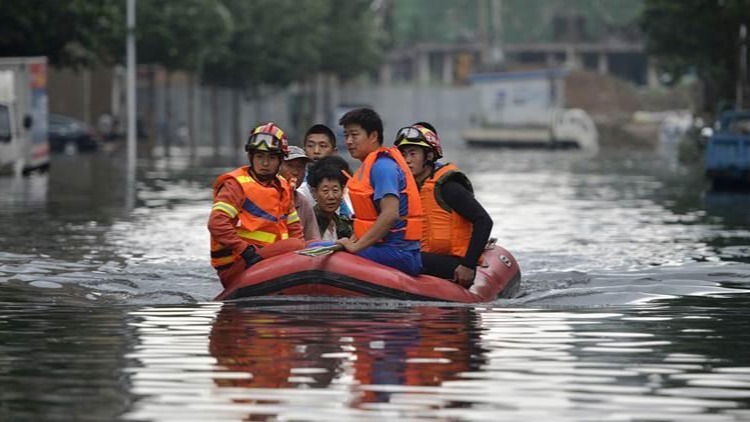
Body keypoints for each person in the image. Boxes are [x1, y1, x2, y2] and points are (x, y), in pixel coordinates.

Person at [394, 122, 493, 287]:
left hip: (454, 262)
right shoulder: (406, 189)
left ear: (429, 156)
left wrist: (468, 265)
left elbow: (484, 220)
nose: (407, 160)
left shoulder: (448, 187)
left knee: (401, 257)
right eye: (403, 155)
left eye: (413, 154)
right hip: (423, 256)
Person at [207, 122, 305, 286]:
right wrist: (245, 250)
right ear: (251, 157)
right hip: (239, 262)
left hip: (267, 257)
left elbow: (294, 228)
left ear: (280, 160)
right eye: (260, 156)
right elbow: (216, 223)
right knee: (296, 245)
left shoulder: (283, 185)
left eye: (271, 157)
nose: (265, 163)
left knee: (310, 244)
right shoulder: (235, 185)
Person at [336, 108, 423, 276]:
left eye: (354, 135)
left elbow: (390, 214)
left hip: (399, 253)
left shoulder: (382, 167)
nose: (348, 141)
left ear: (374, 136)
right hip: (385, 249)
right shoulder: (370, 165)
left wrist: (355, 247)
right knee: (322, 247)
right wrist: (352, 240)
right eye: (346, 135)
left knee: (323, 251)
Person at [298, 124, 353, 218]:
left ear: (334, 152)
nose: (316, 151)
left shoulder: (346, 180)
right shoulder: (298, 184)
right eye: (310, 146)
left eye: (323, 146)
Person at [279, 145, 320, 241]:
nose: (296, 172)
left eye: (300, 167)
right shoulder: (266, 195)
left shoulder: (303, 203)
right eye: (290, 166)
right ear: (278, 167)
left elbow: (313, 240)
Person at [307, 156, 353, 241]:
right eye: (325, 191)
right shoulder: (309, 222)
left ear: (342, 190)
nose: (331, 196)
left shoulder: (343, 224)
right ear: (314, 192)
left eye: (335, 190)